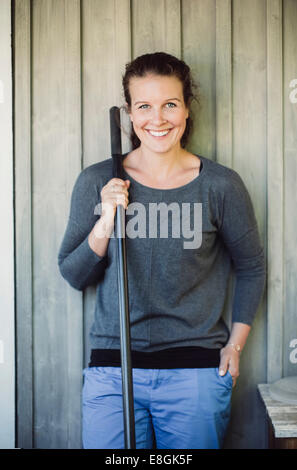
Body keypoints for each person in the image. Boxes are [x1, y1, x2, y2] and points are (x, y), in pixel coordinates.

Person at [58, 52, 266, 449]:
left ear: (186, 109)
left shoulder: (220, 186)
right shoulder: (98, 180)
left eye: (170, 104)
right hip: (113, 372)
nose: (158, 119)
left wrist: (234, 347)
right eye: (145, 106)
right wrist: (105, 221)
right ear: (129, 114)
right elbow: (73, 274)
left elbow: (252, 267)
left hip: (195, 374)